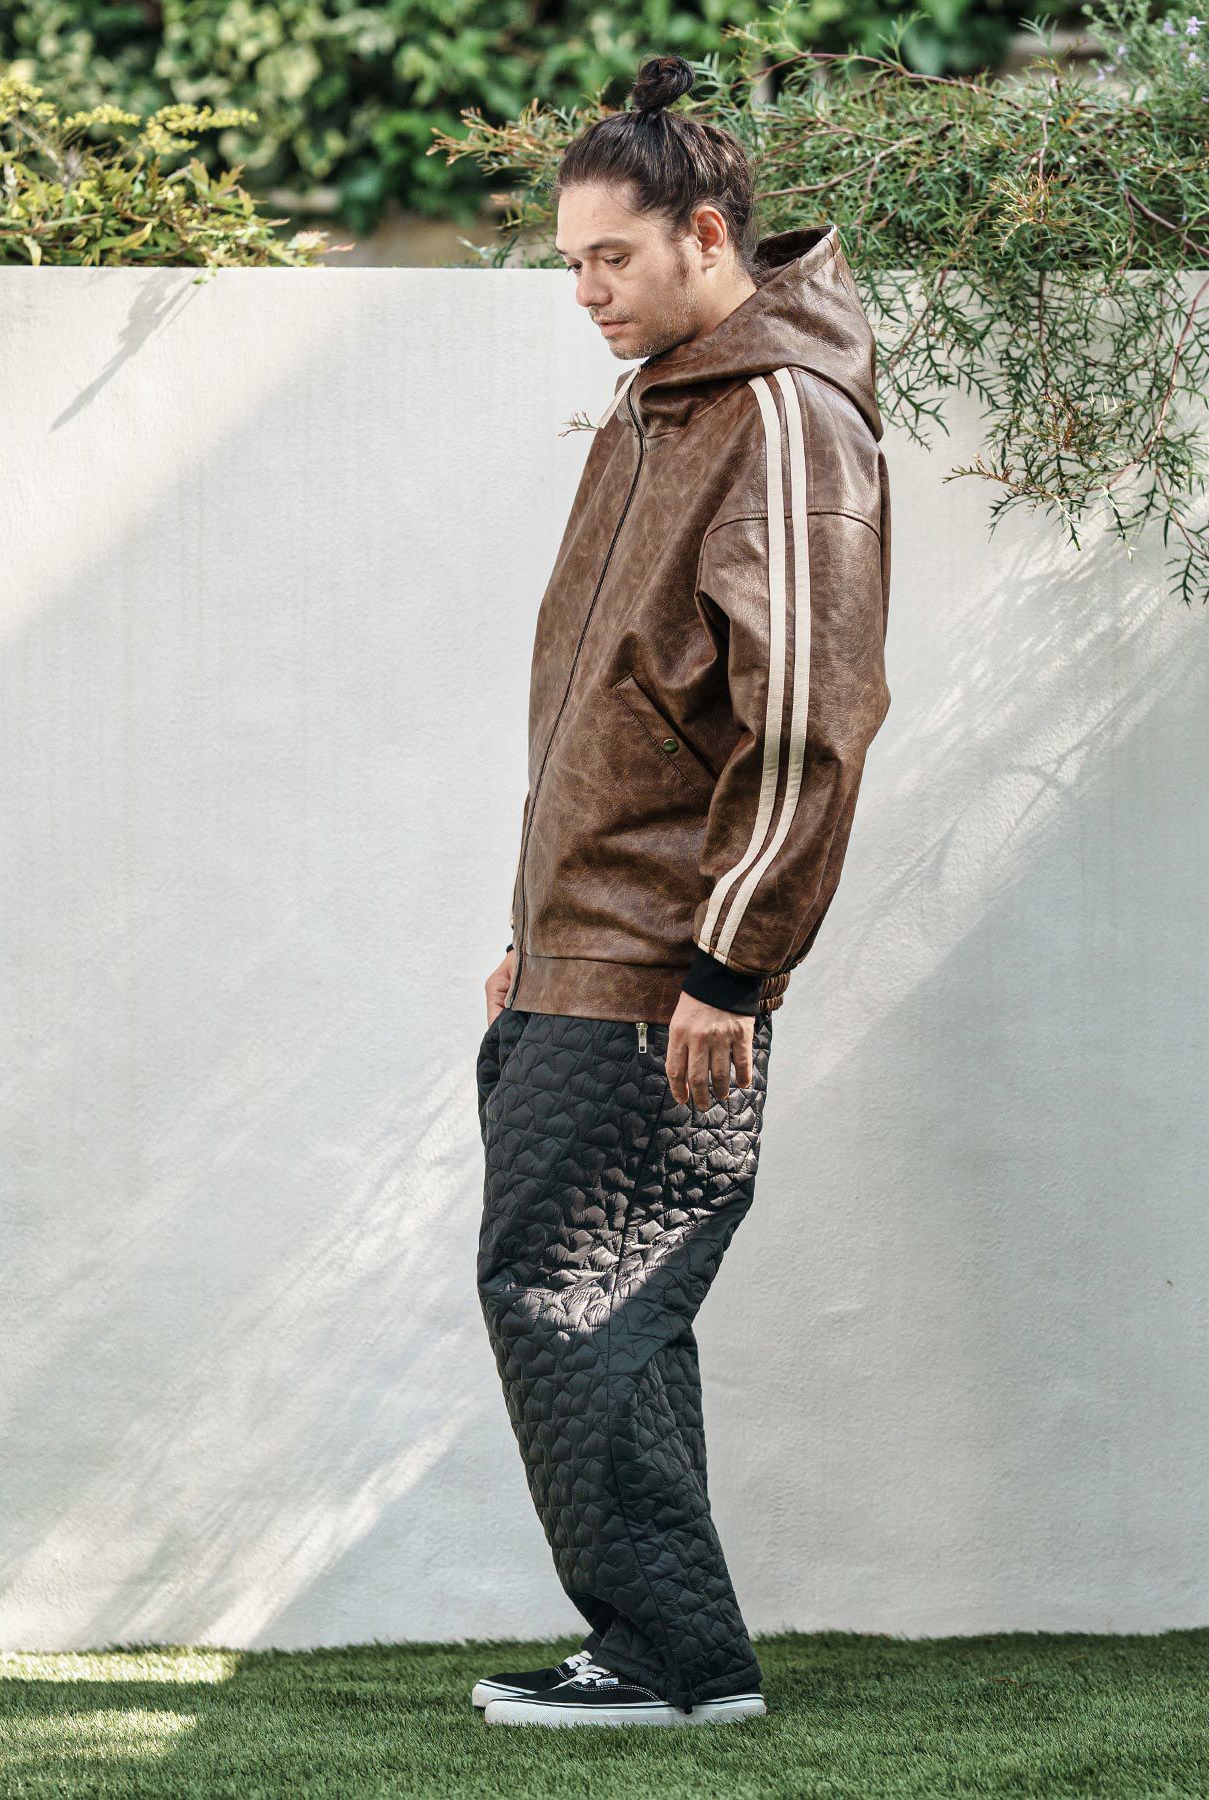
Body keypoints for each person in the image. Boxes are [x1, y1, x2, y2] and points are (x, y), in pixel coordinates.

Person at [473, 50, 892, 1728]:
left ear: (707, 235)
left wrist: (729, 963)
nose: (585, 290)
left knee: (566, 1296)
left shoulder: (782, 415)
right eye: (569, 262)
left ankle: (660, 1656)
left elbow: (808, 715)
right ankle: (678, 1656)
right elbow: (619, 708)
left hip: (667, 973)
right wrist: (531, 940)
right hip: (585, 954)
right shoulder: (666, 404)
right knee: (604, 1310)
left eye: (611, 257)